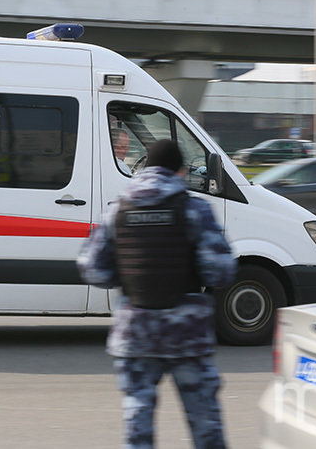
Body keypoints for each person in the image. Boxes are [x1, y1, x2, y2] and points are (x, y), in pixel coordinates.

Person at [77, 139, 236, 449]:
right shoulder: (195, 209)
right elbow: (221, 271)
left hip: (136, 333)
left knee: (138, 424)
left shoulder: (117, 210)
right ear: (179, 171)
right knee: (205, 423)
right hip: (187, 334)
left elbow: (93, 268)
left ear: (146, 169)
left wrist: (129, 272)